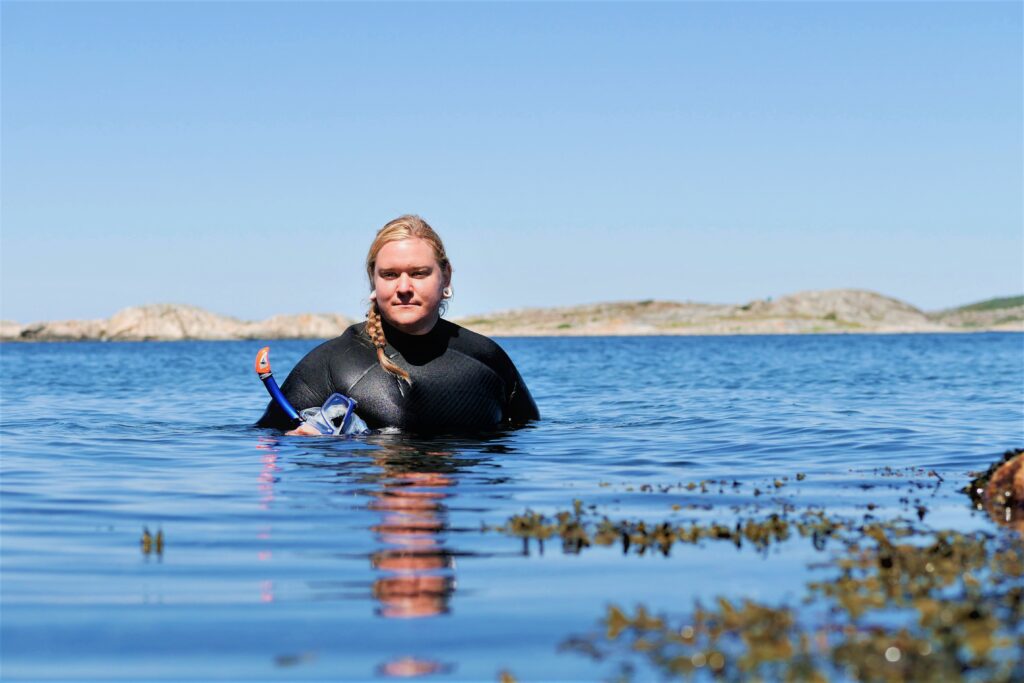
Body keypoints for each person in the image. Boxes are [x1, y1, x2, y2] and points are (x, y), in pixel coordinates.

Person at [257, 215, 539, 434]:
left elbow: (529, 434)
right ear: (373, 281)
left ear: (446, 278)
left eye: (419, 273)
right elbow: (268, 442)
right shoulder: (331, 364)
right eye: (390, 275)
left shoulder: (487, 358)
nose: (404, 287)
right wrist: (306, 443)